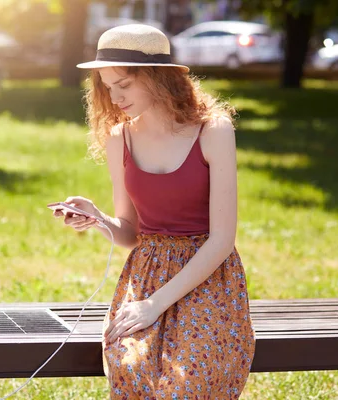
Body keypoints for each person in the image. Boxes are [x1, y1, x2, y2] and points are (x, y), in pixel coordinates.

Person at [52, 24, 256, 399]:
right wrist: (97, 219)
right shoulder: (120, 138)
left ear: (157, 78)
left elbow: (223, 240)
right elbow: (131, 232)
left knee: (188, 383)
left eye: (124, 85)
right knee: (132, 372)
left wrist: (153, 305)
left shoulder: (213, 130)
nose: (114, 98)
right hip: (144, 276)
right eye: (107, 87)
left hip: (208, 280)